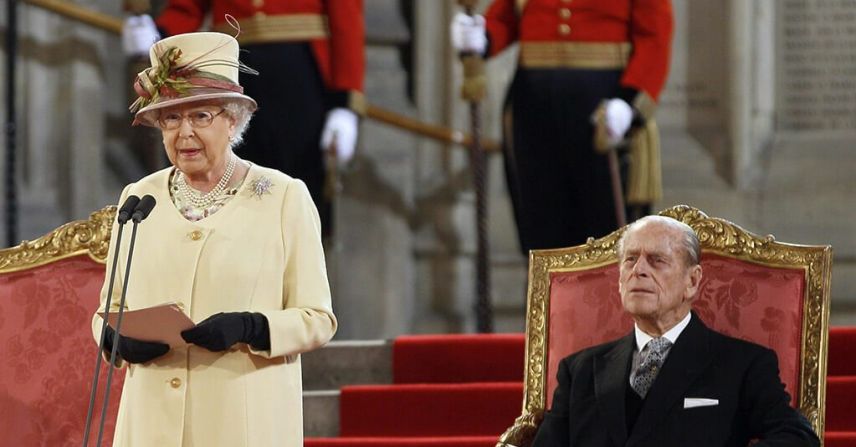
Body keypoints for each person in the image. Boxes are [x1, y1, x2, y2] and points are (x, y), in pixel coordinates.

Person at [91, 32, 337, 446]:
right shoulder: (138, 197)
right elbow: (108, 310)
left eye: (200, 116)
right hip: (150, 425)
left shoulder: (282, 196)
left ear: (233, 120)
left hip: (241, 425)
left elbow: (318, 319)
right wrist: (115, 339)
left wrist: (253, 327)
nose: (184, 133)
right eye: (171, 118)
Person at [531, 216, 820, 446]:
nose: (638, 270)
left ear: (692, 282)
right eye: (630, 259)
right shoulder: (579, 369)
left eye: (657, 260)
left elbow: (798, 437)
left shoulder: (743, 364)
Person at [123, 0, 365, 237]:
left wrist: (344, 103)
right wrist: (159, 38)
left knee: (294, 203)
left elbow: (346, 18)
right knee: (223, 195)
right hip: (230, 72)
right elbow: (189, 7)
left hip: (299, 77)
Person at [450, 1, 673, 254]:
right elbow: (506, 18)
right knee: (542, 235)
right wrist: (482, 36)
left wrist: (628, 101)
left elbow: (654, 39)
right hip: (533, 112)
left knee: (609, 240)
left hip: (603, 114)